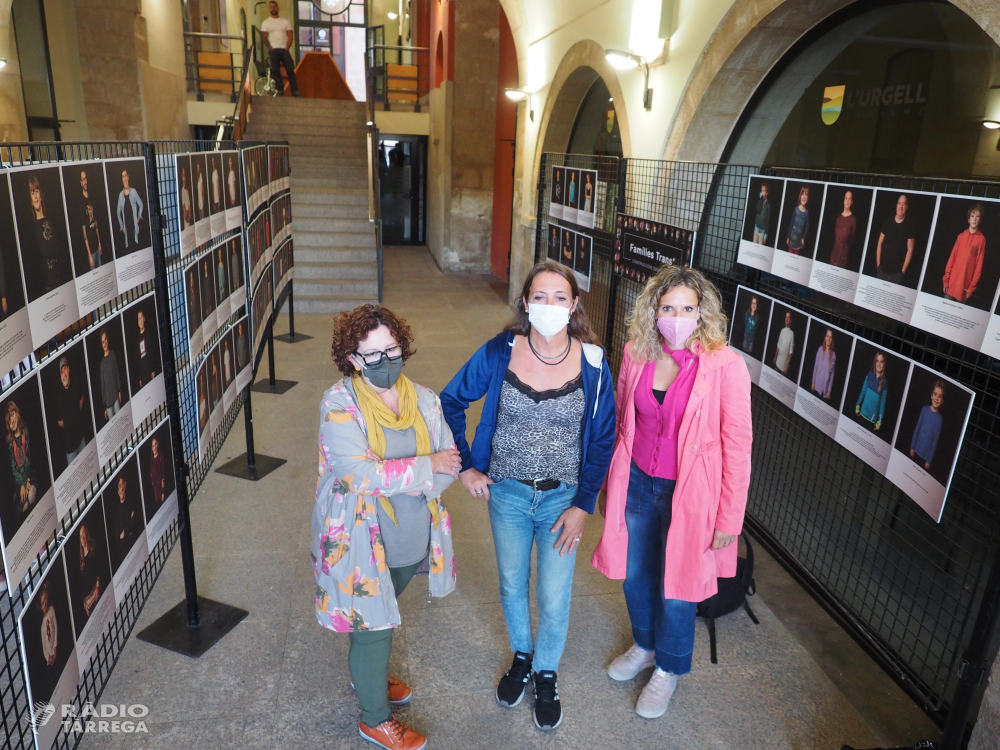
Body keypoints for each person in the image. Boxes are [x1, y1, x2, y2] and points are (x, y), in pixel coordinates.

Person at [441, 262, 616, 731]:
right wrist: (465, 466)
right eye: (540, 296)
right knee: (512, 583)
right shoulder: (500, 351)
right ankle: (522, 654)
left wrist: (583, 506)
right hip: (508, 496)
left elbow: (603, 440)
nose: (550, 306)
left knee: (555, 596)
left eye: (561, 297)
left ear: (575, 305)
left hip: (563, 501)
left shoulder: (595, 363)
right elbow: (450, 401)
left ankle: (545, 673)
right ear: (525, 302)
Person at [592, 265, 752, 719]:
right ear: (652, 310)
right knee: (636, 573)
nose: (676, 317)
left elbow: (739, 447)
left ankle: (669, 667)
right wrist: (610, 485)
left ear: (702, 312)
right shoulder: (635, 352)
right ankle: (644, 644)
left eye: (686, 308)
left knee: (677, 587)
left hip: (691, 495)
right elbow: (624, 423)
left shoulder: (725, 365)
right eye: (668, 307)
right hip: (638, 482)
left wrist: (729, 519)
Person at [313, 304, 459, 750]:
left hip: (410, 534)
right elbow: (356, 476)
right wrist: (424, 467)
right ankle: (374, 717)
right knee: (374, 626)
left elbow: (450, 460)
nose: (385, 360)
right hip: (360, 539)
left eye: (391, 349)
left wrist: (413, 472)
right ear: (353, 359)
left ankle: (368, 673)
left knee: (379, 613)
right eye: (371, 354)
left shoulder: (425, 398)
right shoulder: (339, 402)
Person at [942, 203, 985, 303]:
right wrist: (946, 280)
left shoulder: (981, 239)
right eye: (972, 216)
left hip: (964, 286)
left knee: (958, 315)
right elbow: (952, 258)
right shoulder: (961, 236)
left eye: (977, 216)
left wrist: (971, 287)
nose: (974, 219)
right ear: (968, 219)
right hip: (952, 282)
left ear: (980, 220)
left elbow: (979, 266)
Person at [28, 174, 64, 293]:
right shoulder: (35, 226)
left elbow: (58, 243)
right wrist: (52, 249)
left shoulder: (50, 219)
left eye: (37, 191)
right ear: (30, 200)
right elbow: (45, 252)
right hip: (47, 282)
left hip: (58, 275)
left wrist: (52, 249)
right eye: (32, 193)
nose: (36, 196)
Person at [261, 1, 300, 97]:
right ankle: (280, 90)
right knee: (275, 70)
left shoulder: (285, 22)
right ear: (269, 9)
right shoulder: (265, 23)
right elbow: (264, 37)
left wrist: (287, 48)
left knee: (290, 69)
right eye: (271, 7)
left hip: (284, 49)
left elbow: (291, 36)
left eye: (274, 7)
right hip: (273, 50)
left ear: (278, 8)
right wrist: (270, 47)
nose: (272, 8)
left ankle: (294, 90)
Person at [876, 194, 915, 284]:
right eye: (899, 203)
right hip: (881, 271)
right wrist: (878, 264)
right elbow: (880, 243)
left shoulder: (909, 226)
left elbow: (910, 249)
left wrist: (903, 270)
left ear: (907, 207)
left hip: (897, 275)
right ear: (896, 205)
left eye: (904, 204)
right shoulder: (887, 222)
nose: (901, 206)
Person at [7, 399, 37, 515]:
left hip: (30, 476)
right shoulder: (11, 442)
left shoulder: (26, 432)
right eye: (9, 419)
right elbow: (15, 469)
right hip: (19, 483)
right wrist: (22, 484)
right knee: (21, 507)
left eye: (12, 415)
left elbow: (28, 459)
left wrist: (27, 481)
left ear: (17, 413)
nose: (12, 420)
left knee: (32, 495)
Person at [55, 356, 87, 463]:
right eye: (61, 372)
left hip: (81, 439)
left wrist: (75, 415)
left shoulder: (76, 385)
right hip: (70, 448)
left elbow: (81, 399)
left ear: (69, 369)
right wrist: (70, 424)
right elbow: (60, 422)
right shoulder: (59, 397)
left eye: (65, 370)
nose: (64, 374)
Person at [910, 381, 945, 470]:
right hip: (916, 450)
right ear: (931, 395)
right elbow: (917, 429)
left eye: (940, 396)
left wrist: (929, 460)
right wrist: (912, 447)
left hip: (925, 457)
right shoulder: (924, 410)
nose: (936, 398)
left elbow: (935, 441)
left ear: (942, 401)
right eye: (935, 394)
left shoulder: (939, 419)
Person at [77, 169, 104, 270]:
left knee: (101, 274)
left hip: (97, 247)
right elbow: (84, 232)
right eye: (83, 180)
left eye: (86, 179)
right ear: (80, 182)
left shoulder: (92, 198)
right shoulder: (81, 203)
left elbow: (95, 223)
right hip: (91, 251)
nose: (85, 182)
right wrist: (89, 254)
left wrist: (100, 243)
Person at [855, 352, 888, 432]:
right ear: (874, 362)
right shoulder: (869, 375)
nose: (879, 364)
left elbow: (882, 402)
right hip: (862, 414)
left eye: (881, 362)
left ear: (884, 364)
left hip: (872, 419)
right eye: (877, 361)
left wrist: (879, 421)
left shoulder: (884, 382)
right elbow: (863, 391)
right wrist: (858, 405)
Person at [116, 168, 145, 251]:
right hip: (127, 232)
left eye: (126, 176)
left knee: (137, 249)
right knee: (129, 251)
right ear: (122, 179)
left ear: (128, 177)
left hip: (134, 229)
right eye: (123, 177)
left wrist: (139, 217)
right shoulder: (120, 196)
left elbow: (141, 204)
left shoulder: (134, 192)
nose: (124, 178)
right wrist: (122, 226)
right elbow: (118, 213)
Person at [77, 522, 102, 616]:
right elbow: (82, 582)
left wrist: (98, 587)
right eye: (80, 536)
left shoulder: (93, 551)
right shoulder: (81, 560)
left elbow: (99, 570)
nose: (82, 537)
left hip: (96, 593)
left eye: (83, 533)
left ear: (87, 533)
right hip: (88, 601)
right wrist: (84, 602)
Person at [99, 328, 123, 420]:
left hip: (115, 395)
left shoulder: (113, 354)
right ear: (101, 344)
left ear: (108, 340)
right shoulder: (102, 363)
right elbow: (103, 384)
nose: (104, 343)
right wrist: (104, 406)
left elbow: (117, 373)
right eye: (102, 341)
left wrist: (119, 390)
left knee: (119, 421)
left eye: (105, 340)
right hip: (108, 402)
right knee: (113, 425)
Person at [829, 190, 856, 269]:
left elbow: (852, 240)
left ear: (851, 202)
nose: (847, 201)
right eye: (846, 198)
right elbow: (836, 238)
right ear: (843, 201)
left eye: (849, 199)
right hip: (834, 255)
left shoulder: (852, 220)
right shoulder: (838, 218)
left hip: (844, 257)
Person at [114, 475, 139, 554]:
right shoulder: (116, 509)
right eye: (119, 485)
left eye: (123, 484)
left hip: (133, 540)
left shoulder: (130, 502)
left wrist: (125, 531)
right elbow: (119, 534)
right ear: (117, 490)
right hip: (124, 547)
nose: (122, 488)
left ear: (125, 484)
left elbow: (134, 521)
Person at [135, 309, 159, 388]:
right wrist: (139, 378)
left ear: (144, 319)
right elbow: (138, 359)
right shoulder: (138, 338)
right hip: (143, 373)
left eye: (141, 317)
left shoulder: (148, 333)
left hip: (149, 370)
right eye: (139, 318)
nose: (140, 320)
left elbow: (152, 352)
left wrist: (152, 369)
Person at [811, 328, 836, 400]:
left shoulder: (833, 355)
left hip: (825, 391)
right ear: (825, 337)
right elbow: (815, 366)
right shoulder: (820, 349)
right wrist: (813, 382)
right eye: (827, 336)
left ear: (832, 339)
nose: (828, 339)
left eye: (830, 337)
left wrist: (829, 391)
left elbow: (832, 375)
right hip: (816, 387)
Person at [786, 186, 810, 255]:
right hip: (792, 238)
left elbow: (807, 226)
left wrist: (803, 238)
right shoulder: (796, 209)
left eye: (806, 195)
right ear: (800, 196)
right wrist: (788, 236)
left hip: (798, 241)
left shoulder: (806, 212)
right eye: (803, 194)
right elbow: (791, 223)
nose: (804, 197)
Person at [39, 581, 58, 666]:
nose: (45, 604)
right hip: (49, 655)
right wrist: (48, 657)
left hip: (55, 649)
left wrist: (55, 648)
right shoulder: (42, 624)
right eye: (42, 603)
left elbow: (55, 628)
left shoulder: (51, 610)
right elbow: (43, 643)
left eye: (45, 599)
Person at [149, 436, 166, 504]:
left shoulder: (160, 457)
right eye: (153, 446)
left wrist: (162, 492)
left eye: (155, 444)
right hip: (155, 489)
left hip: (161, 488)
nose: (155, 447)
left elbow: (163, 476)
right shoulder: (151, 460)